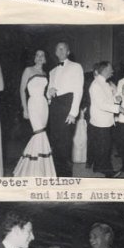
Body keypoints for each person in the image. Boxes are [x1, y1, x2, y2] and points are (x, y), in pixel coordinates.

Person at [13, 49, 56, 177]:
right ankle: (31, 169)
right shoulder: (28, 70)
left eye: (42, 55)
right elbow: (22, 90)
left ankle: (39, 169)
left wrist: (49, 97)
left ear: (45, 58)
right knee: (39, 133)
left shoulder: (45, 73)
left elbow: (47, 92)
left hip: (43, 105)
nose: (39, 57)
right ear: (34, 58)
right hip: (32, 103)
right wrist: (24, 108)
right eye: (37, 55)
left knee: (41, 134)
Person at [47, 42, 84, 177]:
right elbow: (48, 92)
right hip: (55, 106)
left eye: (63, 48)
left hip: (67, 104)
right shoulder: (52, 71)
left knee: (65, 142)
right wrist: (48, 93)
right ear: (56, 52)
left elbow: (78, 90)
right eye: (58, 49)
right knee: (55, 141)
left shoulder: (76, 67)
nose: (61, 51)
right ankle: (57, 174)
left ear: (68, 52)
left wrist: (73, 113)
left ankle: (66, 177)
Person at [88, 61, 124, 177]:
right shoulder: (96, 85)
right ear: (104, 70)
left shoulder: (106, 83)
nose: (113, 71)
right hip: (100, 122)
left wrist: (117, 97)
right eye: (111, 69)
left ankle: (97, 167)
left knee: (103, 147)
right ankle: (108, 172)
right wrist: (118, 108)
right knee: (104, 148)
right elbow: (102, 105)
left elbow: (110, 101)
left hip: (105, 121)